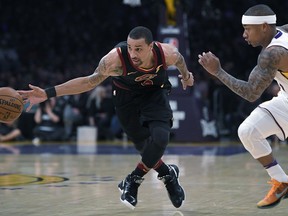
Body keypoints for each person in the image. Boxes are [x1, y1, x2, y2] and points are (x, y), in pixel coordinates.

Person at [18, 26, 194, 209]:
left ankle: (133, 180)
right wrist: (47, 94)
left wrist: (186, 76)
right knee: (144, 146)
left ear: (151, 46)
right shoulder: (114, 60)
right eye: (130, 47)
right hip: (126, 96)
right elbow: (88, 82)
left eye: (139, 49)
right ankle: (168, 175)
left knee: (160, 138)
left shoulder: (167, 53)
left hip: (154, 93)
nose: (133, 53)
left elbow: (180, 60)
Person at [198, 4, 288, 209]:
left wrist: (218, 72)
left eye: (248, 28)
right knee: (248, 131)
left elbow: (251, 93)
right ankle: (281, 181)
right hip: (286, 99)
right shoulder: (282, 30)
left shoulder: (271, 54)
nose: (244, 34)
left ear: (264, 26)